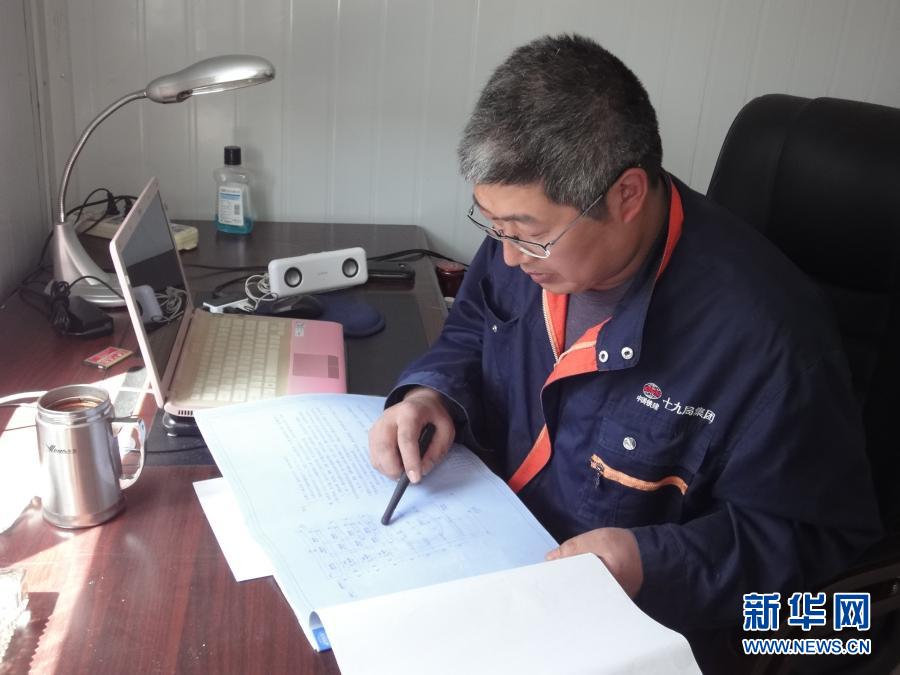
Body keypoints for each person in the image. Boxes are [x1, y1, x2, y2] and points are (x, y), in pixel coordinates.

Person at [368, 34, 881, 670]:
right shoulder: (528, 247)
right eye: (492, 226)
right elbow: (474, 323)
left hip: (634, 625)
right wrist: (431, 394)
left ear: (627, 195)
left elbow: (818, 552)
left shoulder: (771, 341)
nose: (506, 257)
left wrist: (647, 563)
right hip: (483, 559)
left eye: (526, 234)